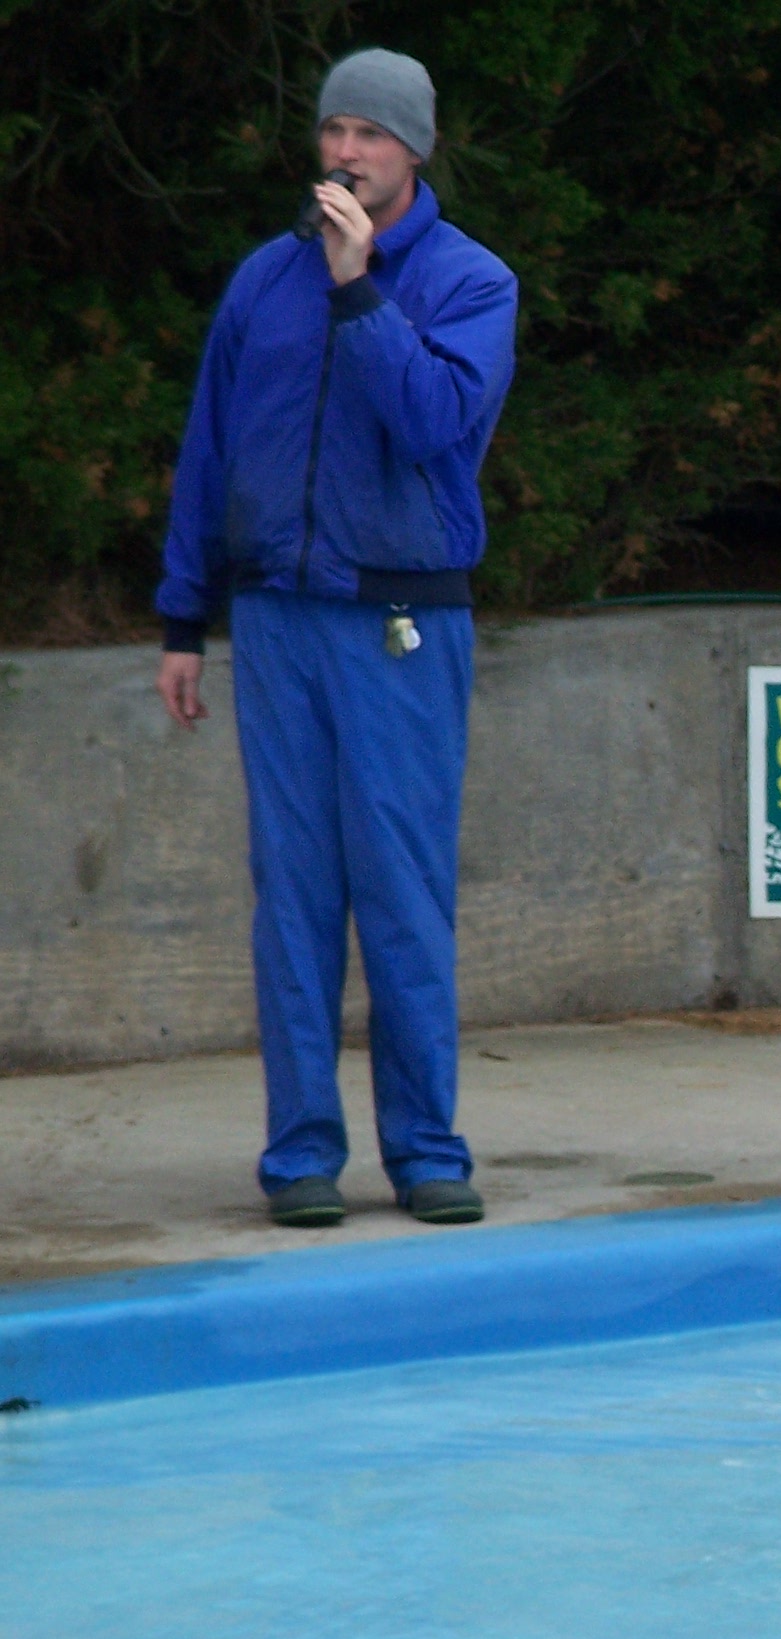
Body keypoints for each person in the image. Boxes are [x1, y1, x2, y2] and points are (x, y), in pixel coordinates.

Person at [154, 49, 517, 1229]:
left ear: (416, 150)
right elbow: (209, 450)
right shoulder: (264, 280)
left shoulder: (471, 283)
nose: (347, 153)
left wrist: (361, 290)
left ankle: (428, 1152)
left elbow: (433, 420)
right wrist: (183, 617)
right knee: (294, 894)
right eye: (334, 130)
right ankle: (302, 1153)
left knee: (402, 890)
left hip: (402, 621)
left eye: (371, 134)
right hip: (277, 619)